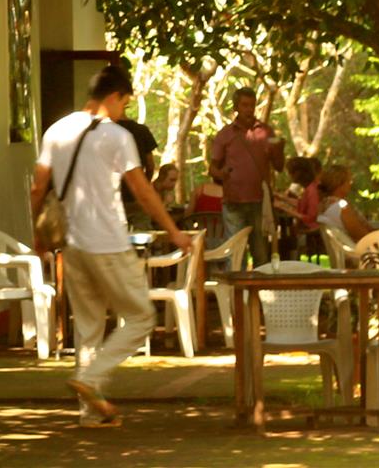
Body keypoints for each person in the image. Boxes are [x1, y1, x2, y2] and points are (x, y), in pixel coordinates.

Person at [30, 65, 192, 428]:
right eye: (125, 102)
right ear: (114, 97)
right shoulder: (116, 137)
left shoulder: (57, 131)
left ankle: (90, 414)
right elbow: (143, 190)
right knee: (141, 317)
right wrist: (174, 231)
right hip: (108, 242)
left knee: (87, 327)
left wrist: (38, 232)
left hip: (72, 244)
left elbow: (38, 188)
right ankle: (92, 379)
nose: (124, 110)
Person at [208, 87, 284, 265]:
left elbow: (279, 166)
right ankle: (236, 292)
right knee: (234, 254)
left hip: (259, 202)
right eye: (244, 105)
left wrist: (279, 150)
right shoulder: (225, 134)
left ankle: (261, 292)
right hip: (233, 202)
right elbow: (212, 169)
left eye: (252, 105)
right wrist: (222, 174)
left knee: (261, 253)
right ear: (236, 107)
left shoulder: (266, 132)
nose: (249, 109)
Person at [116, 112, 159, 229]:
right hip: (137, 194)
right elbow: (150, 165)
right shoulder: (141, 130)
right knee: (143, 236)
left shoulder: (106, 133)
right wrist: (144, 183)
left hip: (114, 196)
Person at [315, 164, 374, 242]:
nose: (351, 183)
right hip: (362, 250)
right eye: (349, 180)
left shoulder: (324, 204)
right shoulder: (342, 206)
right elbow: (361, 235)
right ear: (339, 184)